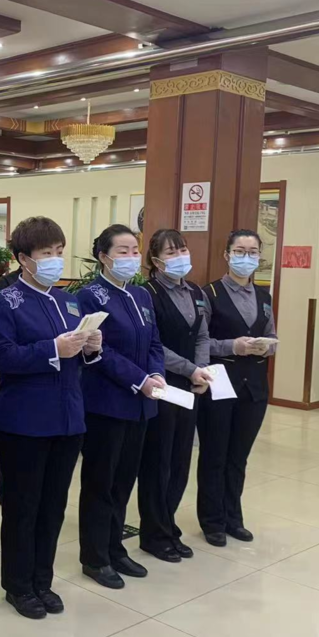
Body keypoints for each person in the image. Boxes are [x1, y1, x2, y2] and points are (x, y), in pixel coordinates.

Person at [0, 217, 101, 618]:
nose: (54, 259)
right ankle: (18, 585)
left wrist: (90, 347)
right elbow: (1, 356)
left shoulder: (68, 300)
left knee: (53, 506)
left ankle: (42, 580)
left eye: (59, 252)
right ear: (23, 259)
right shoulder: (5, 301)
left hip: (68, 417)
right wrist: (53, 349)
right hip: (24, 421)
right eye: (45, 253)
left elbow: (77, 358)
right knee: (23, 507)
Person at [76, 224, 165, 590]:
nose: (131, 257)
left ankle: (116, 547)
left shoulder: (141, 295)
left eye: (134, 251)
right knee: (101, 482)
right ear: (104, 257)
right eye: (122, 251)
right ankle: (95, 556)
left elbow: (154, 342)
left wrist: (155, 374)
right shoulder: (90, 296)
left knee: (124, 480)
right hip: (107, 403)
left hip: (141, 404)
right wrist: (139, 379)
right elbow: (101, 351)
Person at [195, 229, 276, 548]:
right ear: (227, 255)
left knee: (238, 456)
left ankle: (233, 517)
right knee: (214, 454)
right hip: (219, 381)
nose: (246, 257)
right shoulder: (210, 293)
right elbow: (201, 341)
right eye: (240, 251)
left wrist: (267, 346)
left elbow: (272, 335)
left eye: (253, 252)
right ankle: (212, 520)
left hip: (253, 386)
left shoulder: (264, 297)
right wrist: (233, 346)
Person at [137, 229, 212, 562]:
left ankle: (169, 527)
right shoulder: (147, 294)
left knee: (181, 459)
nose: (180, 257)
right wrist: (189, 369)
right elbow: (153, 345)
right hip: (161, 384)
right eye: (171, 252)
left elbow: (203, 336)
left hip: (191, 385)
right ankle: (153, 533)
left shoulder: (196, 291)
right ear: (156, 261)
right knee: (159, 462)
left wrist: (202, 371)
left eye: (182, 249)